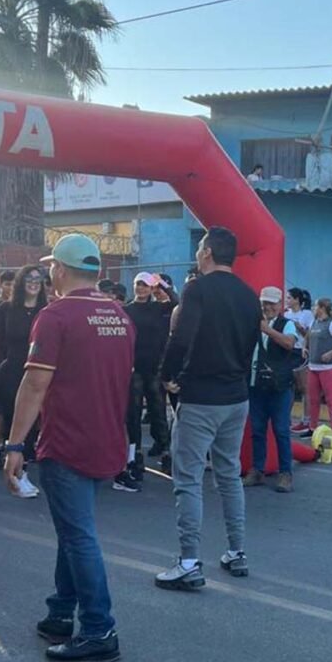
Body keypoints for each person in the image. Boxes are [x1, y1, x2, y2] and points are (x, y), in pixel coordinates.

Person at [4, 233, 134, 662]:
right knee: (72, 529)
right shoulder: (119, 314)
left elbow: (35, 382)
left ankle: (99, 628)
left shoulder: (56, 315)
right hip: (107, 439)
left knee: (79, 536)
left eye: (51, 268)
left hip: (67, 440)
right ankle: (60, 612)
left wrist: (14, 443)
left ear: (59, 270)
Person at [155, 227, 261, 590]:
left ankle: (188, 561)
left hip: (201, 397)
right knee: (229, 475)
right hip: (236, 396)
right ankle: (237, 551)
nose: (198, 254)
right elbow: (250, 346)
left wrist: (167, 375)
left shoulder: (197, 289)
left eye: (200, 248)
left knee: (188, 478)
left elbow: (180, 337)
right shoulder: (250, 297)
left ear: (208, 253)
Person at [117, 271, 175, 492]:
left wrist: (160, 282)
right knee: (133, 413)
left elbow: (175, 302)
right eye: (137, 284)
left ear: (151, 288)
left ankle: (165, 450)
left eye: (145, 285)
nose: (140, 288)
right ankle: (135, 454)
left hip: (155, 368)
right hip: (134, 368)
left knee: (158, 410)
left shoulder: (159, 308)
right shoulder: (127, 310)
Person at [0, 264, 47, 498]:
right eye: (29, 278)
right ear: (20, 282)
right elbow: (1, 342)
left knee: (33, 421)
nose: (34, 282)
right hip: (12, 371)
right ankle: (16, 473)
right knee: (12, 421)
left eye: (38, 278)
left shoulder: (47, 310)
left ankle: (22, 470)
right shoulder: (6, 309)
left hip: (38, 372)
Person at [243, 287, 298, 493]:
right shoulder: (253, 324)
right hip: (256, 385)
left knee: (281, 430)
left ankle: (286, 473)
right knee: (257, 429)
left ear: (280, 305)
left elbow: (289, 344)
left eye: (272, 303)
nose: (268, 307)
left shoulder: (288, 324)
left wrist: (268, 330)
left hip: (279, 387)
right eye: (264, 303)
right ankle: (257, 469)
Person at [299, 297, 332, 439]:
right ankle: (312, 427)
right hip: (313, 367)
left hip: (328, 369)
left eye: (315, 306)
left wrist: (331, 353)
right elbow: (307, 338)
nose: (313, 309)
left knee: (330, 399)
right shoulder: (314, 323)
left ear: (322, 308)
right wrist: (304, 348)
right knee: (313, 399)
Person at [285, 288, 314, 435]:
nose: (287, 300)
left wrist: (299, 328)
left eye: (289, 298)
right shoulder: (285, 314)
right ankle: (286, 418)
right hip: (288, 351)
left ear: (297, 300)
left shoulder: (306, 314)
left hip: (300, 350)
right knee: (288, 385)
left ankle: (307, 420)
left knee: (304, 387)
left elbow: (309, 335)